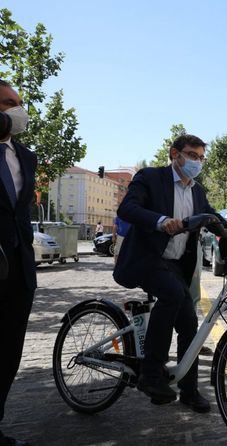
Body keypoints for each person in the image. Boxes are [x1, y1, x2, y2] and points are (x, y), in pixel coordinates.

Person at [114, 134, 219, 413]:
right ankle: (151, 373)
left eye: (200, 157)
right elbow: (127, 208)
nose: (197, 162)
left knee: (188, 326)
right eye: (191, 155)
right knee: (172, 295)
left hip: (175, 265)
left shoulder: (197, 191)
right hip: (146, 259)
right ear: (175, 154)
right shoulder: (151, 177)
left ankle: (189, 390)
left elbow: (211, 216)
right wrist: (160, 222)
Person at [0, 80, 38, 446]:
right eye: (9, 103)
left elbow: (20, 212)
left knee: (9, 352)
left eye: (20, 104)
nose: (18, 110)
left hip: (19, 271)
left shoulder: (26, 156)